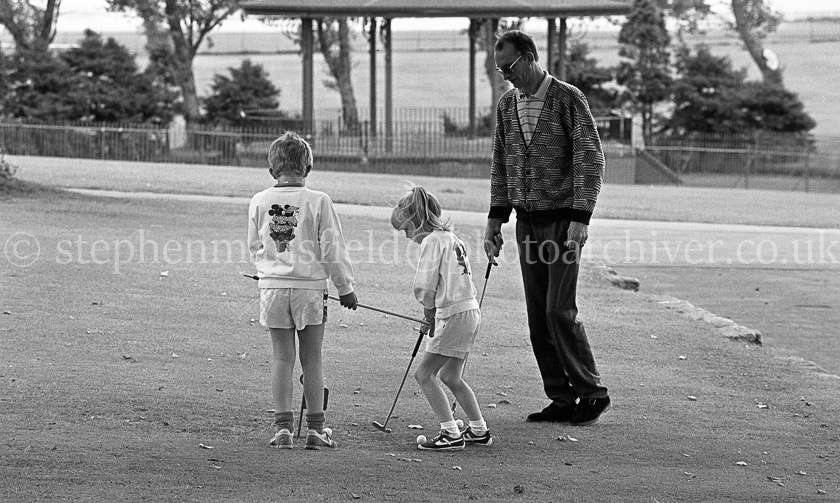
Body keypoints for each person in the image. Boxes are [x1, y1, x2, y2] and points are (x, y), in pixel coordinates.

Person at [484, 30, 611, 426]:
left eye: (510, 67)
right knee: (538, 314)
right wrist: (494, 221)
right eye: (499, 69)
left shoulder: (568, 98)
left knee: (560, 309)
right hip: (526, 222)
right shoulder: (508, 106)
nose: (506, 76)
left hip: (562, 221)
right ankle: (560, 397)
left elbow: (591, 160)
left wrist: (580, 219)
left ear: (530, 57)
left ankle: (592, 393)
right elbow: (501, 165)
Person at [248, 131, 358, 449]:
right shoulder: (318, 201)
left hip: (272, 289)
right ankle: (316, 430)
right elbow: (332, 248)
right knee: (312, 361)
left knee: (282, 358)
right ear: (307, 167)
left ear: (272, 168)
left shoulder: (259, 200)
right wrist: (345, 287)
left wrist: (267, 272)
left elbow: (255, 245)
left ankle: (282, 429)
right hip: (309, 290)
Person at [391, 186, 492, 451]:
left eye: (405, 230)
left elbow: (426, 284)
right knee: (451, 375)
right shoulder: (451, 238)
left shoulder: (431, 241)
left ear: (416, 221)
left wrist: (428, 313)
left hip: (453, 314)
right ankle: (479, 429)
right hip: (469, 312)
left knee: (424, 374)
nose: (407, 236)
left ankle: (450, 432)